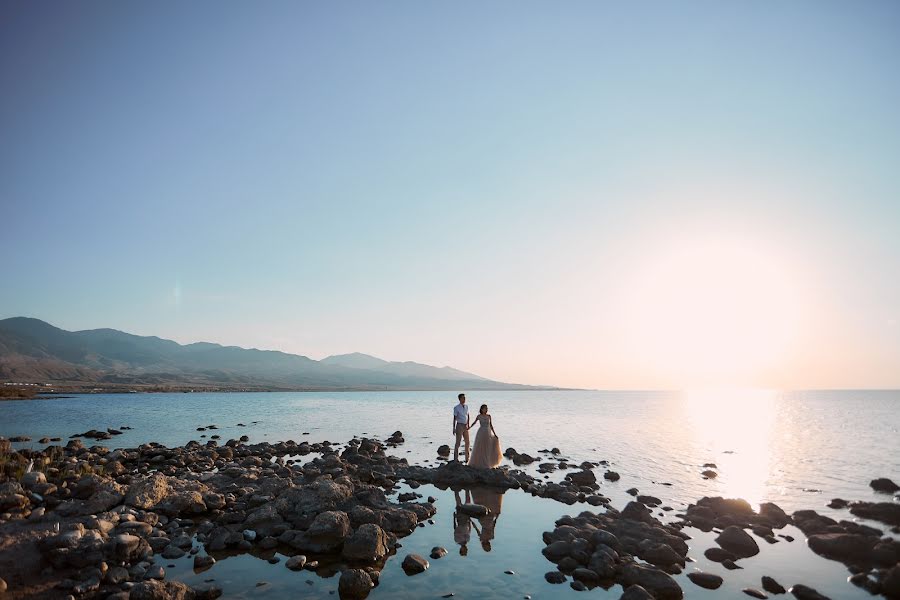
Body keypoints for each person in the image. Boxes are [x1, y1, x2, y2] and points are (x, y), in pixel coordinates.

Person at [467, 404, 502, 468]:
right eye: (485, 408)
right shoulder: (479, 416)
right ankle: (479, 462)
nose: (486, 410)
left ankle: (487, 462)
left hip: (488, 433)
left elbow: (491, 425)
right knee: (480, 448)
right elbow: (474, 423)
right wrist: (469, 427)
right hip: (481, 433)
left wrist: (495, 434)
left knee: (488, 448)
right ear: (482, 409)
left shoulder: (489, 416)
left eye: (487, 408)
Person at [453, 393, 470, 462]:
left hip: (465, 425)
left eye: (464, 398)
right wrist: (453, 428)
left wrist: (468, 424)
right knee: (458, 443)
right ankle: (455, 459)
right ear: (459, 399)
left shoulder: (466, 406)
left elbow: (468, 415)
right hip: (459, 425)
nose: (464, 399)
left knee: (467, 442)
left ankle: (467, 459)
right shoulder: (456, 407)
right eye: (463, 398)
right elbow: (454, 418)